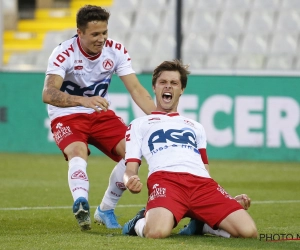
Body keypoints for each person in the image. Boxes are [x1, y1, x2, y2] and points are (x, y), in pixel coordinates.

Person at [42, 5, 156, 231]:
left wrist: (161, 118)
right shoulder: (63, 53)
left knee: (133, 150)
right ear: (80, 32)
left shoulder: (116, 51)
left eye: (104, 32)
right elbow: (48, 93)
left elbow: (136, 89)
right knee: (77, 150)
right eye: (95, 34)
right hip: (67, 114)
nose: (101, 38)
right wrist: (82, 100)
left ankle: (105, 209)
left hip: (98, 113)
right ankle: (80, 202)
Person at [122, 60, 258, 239]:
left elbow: (205, 170)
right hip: (166, 181)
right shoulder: (139, 124)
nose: (168, 87)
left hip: (202, 185)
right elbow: (130, 169)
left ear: (181, 90)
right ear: (154, 87)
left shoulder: (196, 126)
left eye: (174, 83)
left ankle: (202, 225)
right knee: (156, 232)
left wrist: (227, 200)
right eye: (163, 82)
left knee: (249, 233)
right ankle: (138, 222)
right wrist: (129, 180)